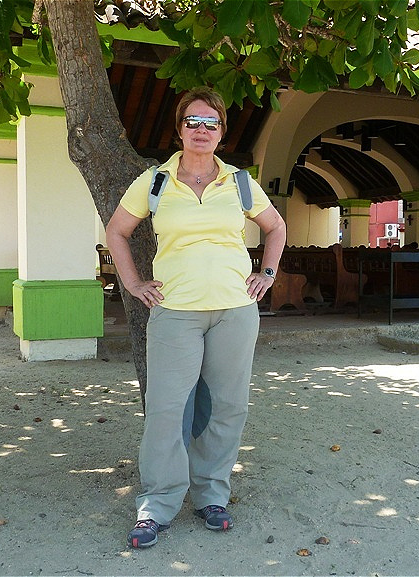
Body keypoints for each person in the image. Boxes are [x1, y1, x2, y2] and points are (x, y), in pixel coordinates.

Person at [105, 87, 286, 549]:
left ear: (222, 132)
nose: (201, 130)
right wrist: (132, 282)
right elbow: (117, 231)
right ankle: (158, 504)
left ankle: (211, 494)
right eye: (193, 122)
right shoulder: (155, 181)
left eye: (211, 123)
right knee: (167, 410)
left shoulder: (240, 182)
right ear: (179, 129)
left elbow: (275, 226)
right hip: (175, 313)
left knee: (228, 405)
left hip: (235, 311)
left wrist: (266, 273)